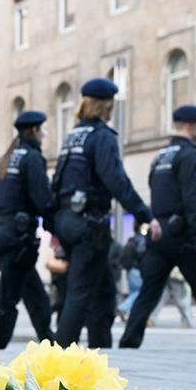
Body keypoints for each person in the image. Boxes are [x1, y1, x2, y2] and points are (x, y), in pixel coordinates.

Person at [50, 78, 161, 348]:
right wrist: (145, 215)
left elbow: (57, 182)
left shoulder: (73, 136)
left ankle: (100, 350)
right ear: (106, 106)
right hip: (90, 223)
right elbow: (117, 181)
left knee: (104, 292)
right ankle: (60, 356)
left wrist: (55, 226)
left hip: (68, 220)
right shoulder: (101, 137)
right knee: (79, 293)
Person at [119, 105, 196, 350]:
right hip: (185, 236)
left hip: (160, 234)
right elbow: (193, 199)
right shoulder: (190, 156)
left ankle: (128, 343)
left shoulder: (161, 156)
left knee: (148, 293)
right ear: (191, 125)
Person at [0, 110, 55, 348]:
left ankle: (49, 342)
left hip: (3, 234)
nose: (44, 135)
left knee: (33, 294)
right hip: (19, 237)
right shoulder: (32, 158)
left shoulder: (4, 160)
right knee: (8, 298)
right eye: (43, 130)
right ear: (34, 130)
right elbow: (42, 199)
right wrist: (55, 225)